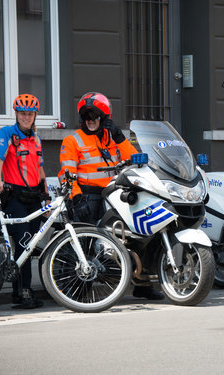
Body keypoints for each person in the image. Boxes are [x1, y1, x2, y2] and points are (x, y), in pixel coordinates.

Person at [58, 91, 164, 300]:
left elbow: (135, 159)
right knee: (85, 243)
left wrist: (119, 137)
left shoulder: (111, 138)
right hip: (87, 196)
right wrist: (76, 198)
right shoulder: (72, 140)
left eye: (95, 116)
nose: (90, 121)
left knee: (139, 234)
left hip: (115, 194)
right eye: (87, 117)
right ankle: (79, 290)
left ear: (103, 118)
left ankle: (143, 284)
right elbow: (66, 173)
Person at [0, 94, 49, 309]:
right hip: (14, 196)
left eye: (30, 114)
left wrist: (46, 194)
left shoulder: (36, 138)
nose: (26, 117)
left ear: (35, 116)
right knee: (24, 242)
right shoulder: (7, 133)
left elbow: (39, 168)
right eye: (23, 113)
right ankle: (24, 292)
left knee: (30, 244)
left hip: (33, 197)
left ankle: (19, 291)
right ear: (16, 114)